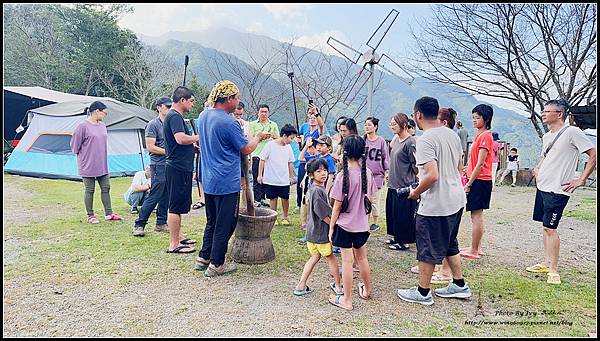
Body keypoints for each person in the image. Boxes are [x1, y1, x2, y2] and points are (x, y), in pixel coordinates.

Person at [397, 96, 471, 306]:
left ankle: (422, 292)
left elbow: (431, 175)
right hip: (456, 198)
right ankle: (459, 285)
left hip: (437, 203)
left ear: (417, 115)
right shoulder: (452, 135)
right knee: (449, 243)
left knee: (427, 247)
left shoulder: (426, 139)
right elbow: (458, 166)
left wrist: (416, 192)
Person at [196, 80, 269, 276]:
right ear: (228, 99)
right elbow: (246, 148)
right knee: (226, 221)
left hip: (209, 179)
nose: (238, 101)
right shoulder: (229, 122)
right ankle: (217, 263)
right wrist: (258, 138)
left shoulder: (203, 116)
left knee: (212, 220)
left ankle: (204, 256)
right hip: (226, 180)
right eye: (236, 97)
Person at [527, 99, 596, 285]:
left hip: (558, 189)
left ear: (559, 114)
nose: (543, 113)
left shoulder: (572, 132)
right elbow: (545, 156)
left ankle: (553, 270)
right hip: (543, 186)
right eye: (543, 110)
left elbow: (593, 154)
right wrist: (537, 168)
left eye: (547, 111)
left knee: (551, 228)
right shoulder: (547, 136)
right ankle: (546, 262)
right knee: (544, 226)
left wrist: (581, 179)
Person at [328, 135, 377, 311]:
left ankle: (347, 300)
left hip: (345, 225)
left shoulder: (342, 177)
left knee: (347, 262)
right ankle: (367, 290)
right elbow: (368, 200)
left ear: (345, 152)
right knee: (362, 258)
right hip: (362, 226)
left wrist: (331, 227)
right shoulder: (368, 174)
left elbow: (336, 206)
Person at [293, 158, 343, 297]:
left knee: (314, 257)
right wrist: (334, 226)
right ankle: (338, 287)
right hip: (321, 234)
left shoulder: (316, 189)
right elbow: (324, 215)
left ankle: (301, 285)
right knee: (330, 257)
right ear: (311, 174)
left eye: (325, 170)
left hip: (312, 233)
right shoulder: (317, 191)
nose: (323, 173)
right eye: (318, 171)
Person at [70, 100, 122, 224]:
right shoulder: (82, 126)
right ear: (97, 111)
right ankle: (90, 215)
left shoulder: (102, 126)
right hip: (87, 163)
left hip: (101, 163)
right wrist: (84, 156)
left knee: (106, 187)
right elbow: (75, 146)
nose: (105, 115)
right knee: (90, 189)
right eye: (104, 113)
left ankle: (109, 214)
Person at [163, 86, 198, 254]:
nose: (192, 104)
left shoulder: (175, 116)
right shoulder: (175, 116)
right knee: (175, 206)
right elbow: (180, 139)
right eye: (191, 101)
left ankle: (179, 236)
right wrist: (200, 136)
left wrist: (194, 145)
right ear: (182, 100)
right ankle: (174, 244)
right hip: (177, 167)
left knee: (179, 204)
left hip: (181, 166)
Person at [133, 96, 172, 237]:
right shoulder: (153, 125)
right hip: (158, 164)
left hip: (170, 164)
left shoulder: (171, 123)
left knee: (166, 194)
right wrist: (169, 152)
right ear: (159, 107)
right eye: (167, 106)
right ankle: (139, 224)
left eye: (170, 106)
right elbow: (151, 147)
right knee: (155, 194)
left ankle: (161, 222)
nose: (169, 109)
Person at [459, 104, 494, 260]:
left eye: (477, 117)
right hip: (477, 178)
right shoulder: (479, 135)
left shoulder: (486, 135)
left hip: (480, 180)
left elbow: (481, 164)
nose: (474, 120)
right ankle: (476, 247)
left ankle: (474, 250)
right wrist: (467, 168)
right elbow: (475, 162)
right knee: (476, 215)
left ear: (485, 119)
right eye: (473, 117)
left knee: (476, 216)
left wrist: (469, 184)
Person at [386, 113, 417, 251]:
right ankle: (396, 237)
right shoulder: (397, 140)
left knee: (403, 214)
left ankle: (403, 241)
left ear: (404, 125)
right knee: (393, 213)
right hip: (393, 182)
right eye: (391, 124)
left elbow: (416, 165)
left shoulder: (410, 142)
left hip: (404, 184)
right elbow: (391, 148)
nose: (392, 126)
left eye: (395, 124)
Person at [257, 124, 298, 226]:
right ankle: (273, 217)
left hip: (284, 179)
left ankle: (285, 216)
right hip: (271, 178)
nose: (291, 140)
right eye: (291, 138)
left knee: (285, 198)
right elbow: (262, 160)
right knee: (273, 198)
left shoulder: (288, 147)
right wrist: (260, 175)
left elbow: (290, 162)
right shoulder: (270, 145)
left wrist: (291, 176)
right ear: (284, 136)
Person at [296, 104, 326, 211]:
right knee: (301, 182)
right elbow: (302, 148)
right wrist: (300, 143)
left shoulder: (319, 131)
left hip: (314, 160)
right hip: (305, 159)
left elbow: (322, 126)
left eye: (315, 118)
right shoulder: (305, 131)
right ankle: (300, 203)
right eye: (311, 117)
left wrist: (316, 111)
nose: (312, 119)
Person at [249, 104, 279, 208]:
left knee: (267, 179)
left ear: (268, 113)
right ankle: (257, 200)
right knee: (257, 178)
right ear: (258, 112)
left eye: (265, 112)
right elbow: (250, 139)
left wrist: (272, 135)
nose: (263, 114)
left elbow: (279, 139)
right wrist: (260, 137)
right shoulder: (252, 124)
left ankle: (263, 198)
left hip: (270, 156)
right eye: (261, 111)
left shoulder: (273, 124)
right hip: (257, 154)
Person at [363, 117, 390, 233]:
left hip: (377, 175)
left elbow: (385, 157)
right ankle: (364, 221)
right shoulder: (362, 140)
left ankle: (375, 222)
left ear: (375, 127)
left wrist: (387, 170)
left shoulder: (381, 141)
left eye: (369, 125)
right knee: (364, 198)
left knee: (375, 199)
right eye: (365, 125)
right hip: (363, 175)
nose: (367, 127)